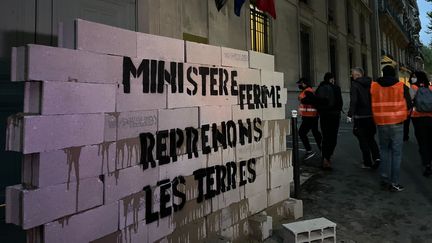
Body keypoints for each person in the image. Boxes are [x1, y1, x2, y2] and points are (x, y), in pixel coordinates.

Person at [371, 65, 411, 192]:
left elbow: (370, 101)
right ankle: (394, 182)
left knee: (384, 151)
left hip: (381, 123)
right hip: (397, 123)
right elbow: (409, 104)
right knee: (396, 153)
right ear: (394, 74)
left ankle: (384, 179)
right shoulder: (401, 86)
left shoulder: (374, 86)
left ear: (383, 73)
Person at [347, 67, 381, 169]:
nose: (351, 76)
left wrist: (350, 114)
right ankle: (377, 157)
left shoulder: (355, 84)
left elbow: (354, 101)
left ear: (357, 75)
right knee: (371, 138)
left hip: (360, 116)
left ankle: (367, 162)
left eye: (352, 74)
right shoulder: (372, 84)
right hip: (371, 116)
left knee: (362, 140)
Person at [315, 72, 343, 170]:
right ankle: (328, 157)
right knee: (333, 137)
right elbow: (340, 103)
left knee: (325, 136)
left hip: (324, 116)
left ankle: (325, 158)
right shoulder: (336, 88)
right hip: (334, 116)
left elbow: (316, 103)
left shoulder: (319, 88)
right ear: (332, 79)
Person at [409, 71, 432, 177]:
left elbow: (409, 100)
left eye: (414, 77)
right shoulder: (430, 87)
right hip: (430, 117)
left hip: (418, 118)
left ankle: (427, 164)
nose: (413, 78)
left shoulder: (414, 87)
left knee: (423, 141)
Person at [296, 77, 322, 160]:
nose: (299, 85)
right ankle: (323, 150)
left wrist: (304, 100)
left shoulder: (307, 91)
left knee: (301, 133)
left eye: (300, 84)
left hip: (309, 116)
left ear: (304, 83)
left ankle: (309, 150)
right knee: (315, 133)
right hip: (312, 116)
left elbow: (313, 100)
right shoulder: (308, 90)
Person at [403, 72, 418, 141]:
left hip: (412, 108)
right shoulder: (422, 86)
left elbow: (410, 97)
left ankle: (405, 136)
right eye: (413, 77)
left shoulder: (412, 87)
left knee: (407, 123)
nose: (413, 78)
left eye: (415, 77)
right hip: (415, 108)